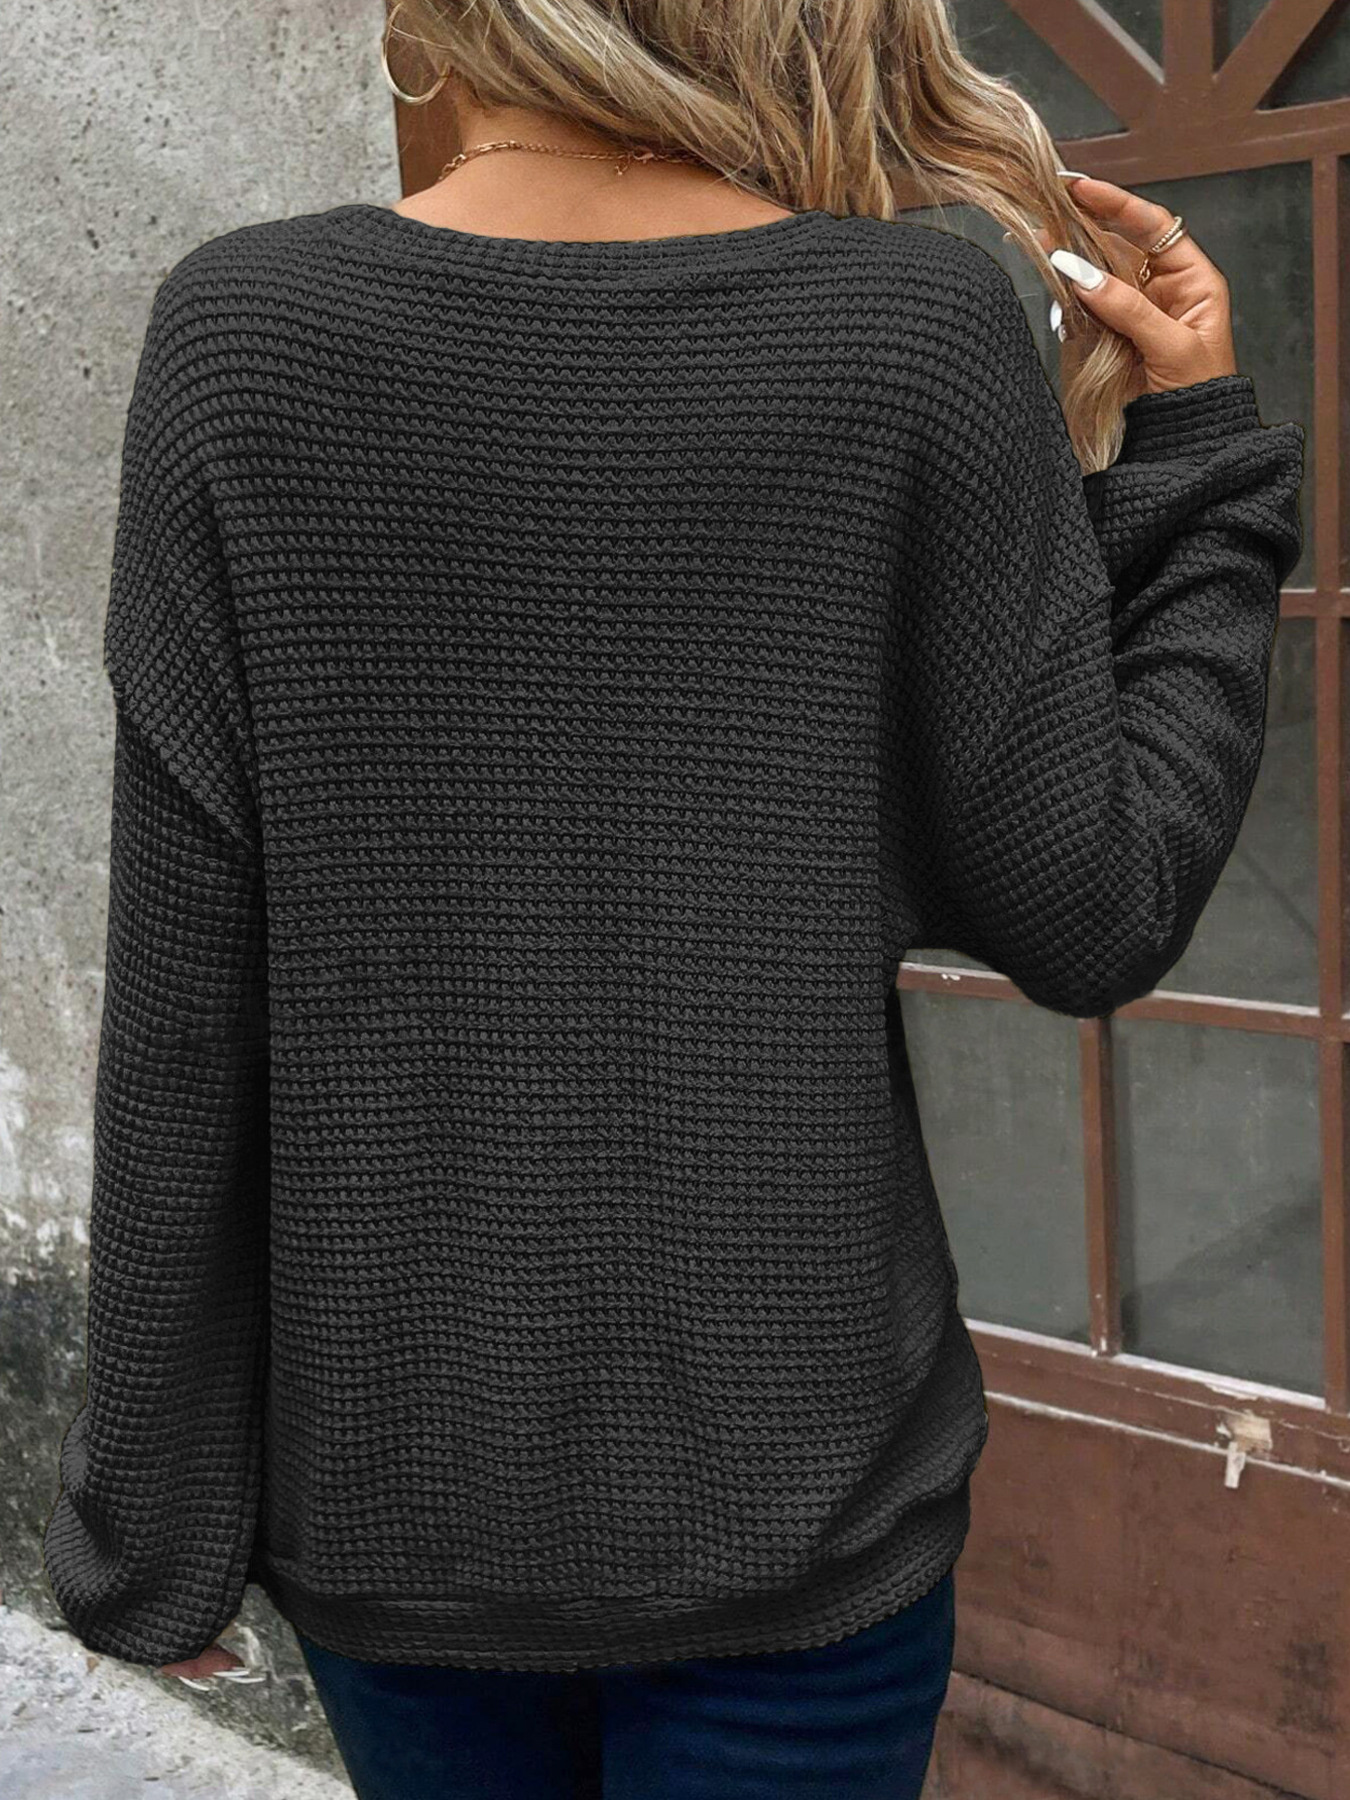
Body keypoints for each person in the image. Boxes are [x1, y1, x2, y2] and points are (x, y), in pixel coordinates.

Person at [42, 2, 1303, 1795]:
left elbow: (187, 999)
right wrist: (1198, 472)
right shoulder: (910, 328)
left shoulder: (243, 334)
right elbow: (1096, 910)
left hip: (402, 1507)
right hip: (799, 1494)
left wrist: (150, 1520)